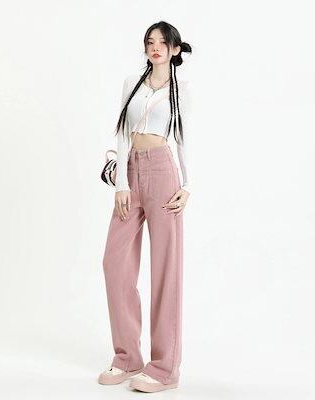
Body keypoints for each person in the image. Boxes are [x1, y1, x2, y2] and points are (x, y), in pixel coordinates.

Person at [98, 20, 193, 393]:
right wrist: (121, 183)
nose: (155, 47)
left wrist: (188, 185)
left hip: (164, 173)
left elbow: (184, 138)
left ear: (174, 49)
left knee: (165, 269)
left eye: (162, 42)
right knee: (115, 262)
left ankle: (165, 368)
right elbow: (122, 132)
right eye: (150, 41)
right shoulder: (132, 83)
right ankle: (127, 357)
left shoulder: (181, 89)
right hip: (131, 173)